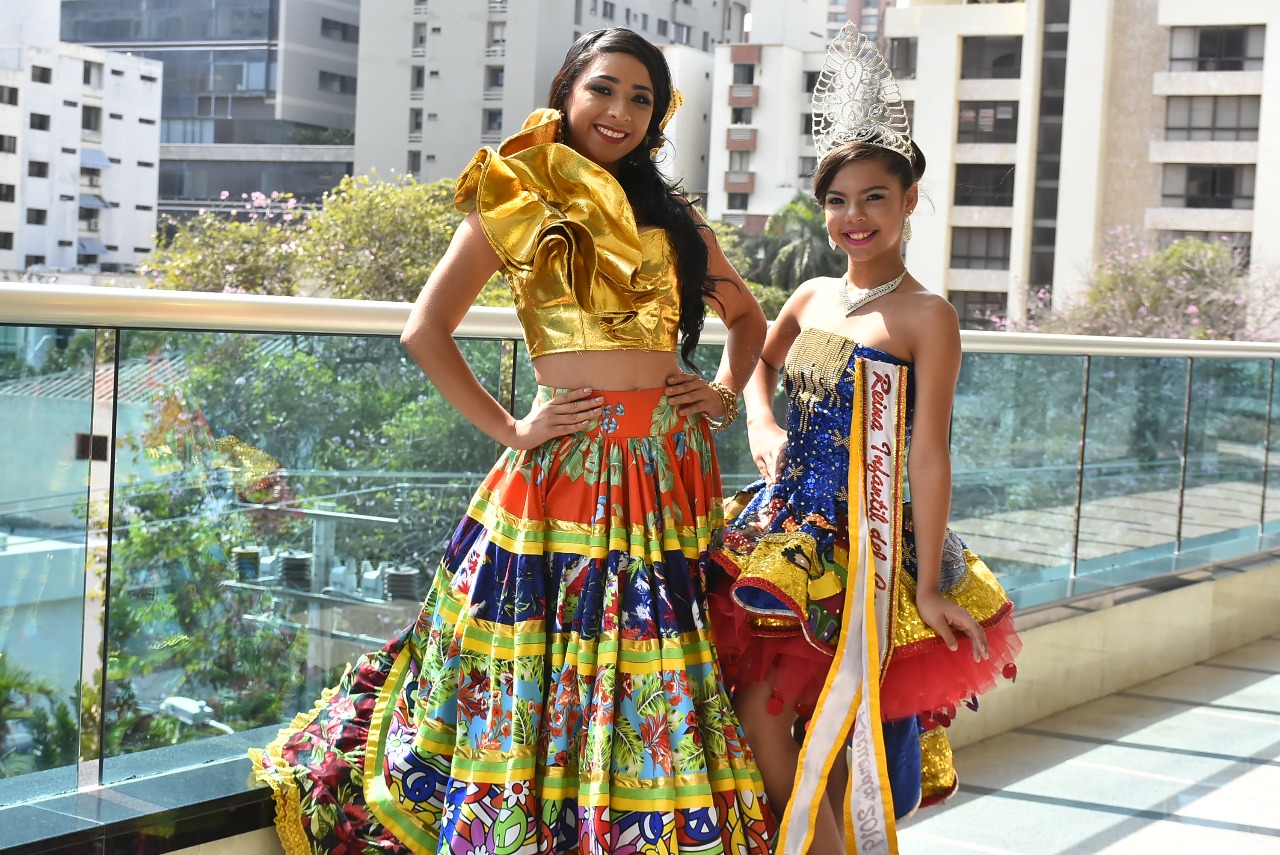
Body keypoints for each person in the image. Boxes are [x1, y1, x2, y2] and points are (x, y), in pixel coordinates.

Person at [250, 28, 775, 855]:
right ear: (569, 90)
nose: (620, 111)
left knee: (650, 668)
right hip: (566, 469)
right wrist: (512, 426)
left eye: (642, 98)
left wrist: (720, 392)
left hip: (669, 473)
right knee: (553, 663)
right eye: (604, 89)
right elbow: (426, 329)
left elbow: (750, 319)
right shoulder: (517, 196)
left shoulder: (672, 217)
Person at [706, 24, 1020, 855]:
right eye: (839, 200)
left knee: (826, 737)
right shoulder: (809, 293)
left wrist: (924, 585)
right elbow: (757, 369)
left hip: (869, 553)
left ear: (909, 201)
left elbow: (929, 452)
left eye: (874, 197)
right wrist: (762, 422)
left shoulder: (929, 316)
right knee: (776, 721)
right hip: (782, 536)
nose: (854, 216)